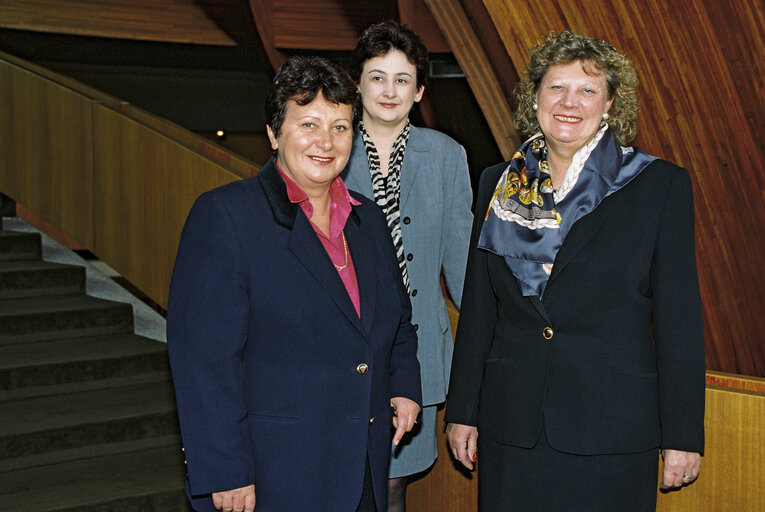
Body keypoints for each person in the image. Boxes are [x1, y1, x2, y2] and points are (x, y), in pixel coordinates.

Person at [445, 31, 705, 511]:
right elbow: (480, 309)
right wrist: (462, 411)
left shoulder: (659, 187)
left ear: (609, 103)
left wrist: (683, 434)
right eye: (556, 87)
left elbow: (679, 321)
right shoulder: (496, 185)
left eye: (587, 90)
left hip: (612, 430)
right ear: (535, 97)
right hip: (513, 427)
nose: (570, 102)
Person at [167, 55, 422, 512]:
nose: (326, 142)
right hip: (274, 474)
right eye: (308, 124)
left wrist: (404, 385)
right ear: (273, 133)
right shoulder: (226, 216)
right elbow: (204, 362)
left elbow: (397, 320)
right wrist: (225, 471)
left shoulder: (369, 221)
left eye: (341, 127)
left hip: (362, 464)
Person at [341, 21, 473, 511]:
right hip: (345, 347)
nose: (389, 90)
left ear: (419, 90)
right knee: (344, 483)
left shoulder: (446, 156)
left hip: (420, 355)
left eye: (402, 79)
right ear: (357, 84)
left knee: (393, 488)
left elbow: (461, 266)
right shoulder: (328, 150)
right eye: (377, 77)